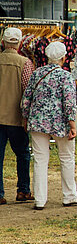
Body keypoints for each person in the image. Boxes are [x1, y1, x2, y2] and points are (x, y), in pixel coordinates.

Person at [22, 41, 77, 209]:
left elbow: (27, 98)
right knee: (66, 158)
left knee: (40, 160)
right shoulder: (66, 76)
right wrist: (72, 125)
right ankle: (69, 195)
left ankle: (40, 199)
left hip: (37, 121)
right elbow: (69, 102)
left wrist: (26, 117)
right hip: (60, 123)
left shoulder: (37, 73)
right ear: (63, 57)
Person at [0, 27, 34, 205]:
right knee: (22, 154)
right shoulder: (25, 63)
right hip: (16, 117)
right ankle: (23, 190)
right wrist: (26, 117)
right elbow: (28, 91)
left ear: (3, 42)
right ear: (20, 43)